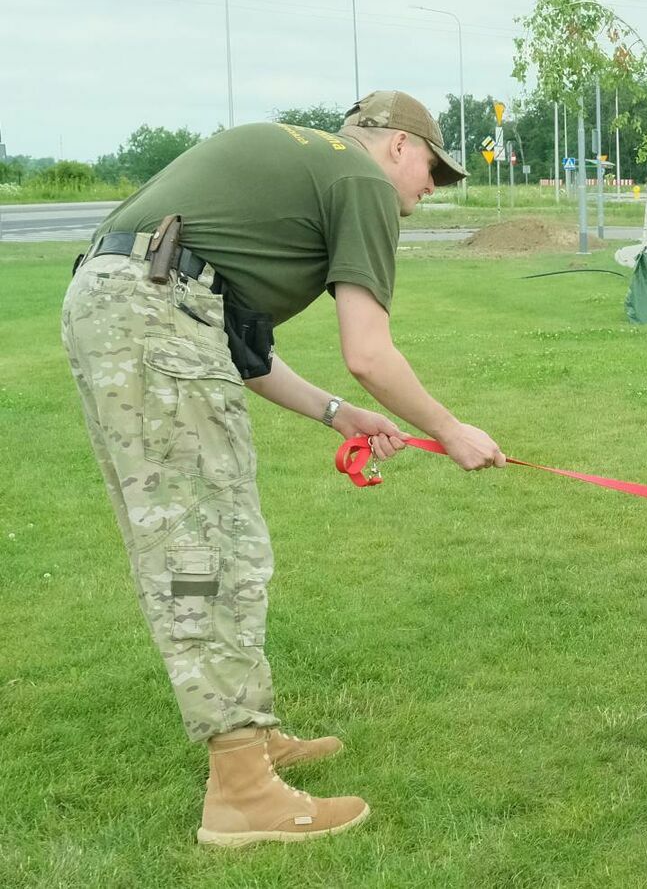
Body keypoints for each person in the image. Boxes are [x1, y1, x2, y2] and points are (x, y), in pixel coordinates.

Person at [61, 91, 506, 848]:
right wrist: (452, 429)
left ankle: (250, 733)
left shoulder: (307, 168)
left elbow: (244, 350)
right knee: (201, 547)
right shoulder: (360, 181)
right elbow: (368, 350)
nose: (433, 190)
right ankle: (241, 788)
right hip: (152, 315)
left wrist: (340, 415)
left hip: (138, 306)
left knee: (222, 538)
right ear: (397, 145)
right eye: (434, 167)